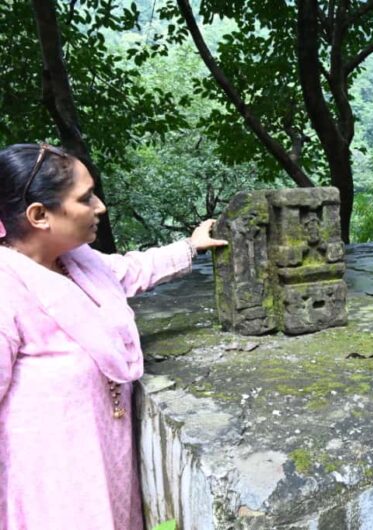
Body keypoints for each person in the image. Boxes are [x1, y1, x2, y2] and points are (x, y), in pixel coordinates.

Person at [0, 143, 228, 529]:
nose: (100, 207)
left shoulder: (77, 262)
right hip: (49, 487)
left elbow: (129, 270)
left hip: (108, 463)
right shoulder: (7, 291)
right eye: (85, 198)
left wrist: (191, 247)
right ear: (40, 215)